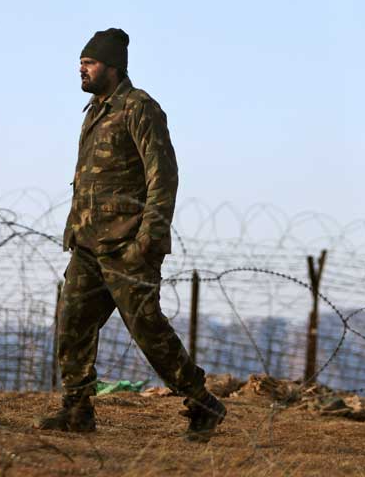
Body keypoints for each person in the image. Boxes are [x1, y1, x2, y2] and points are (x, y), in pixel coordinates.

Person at [35, 28, 226, 442]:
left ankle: (202, 402)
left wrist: (148, 239)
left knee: (147, 329)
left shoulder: (139, 108)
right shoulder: (93, 111)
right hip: (87, 244)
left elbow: (163, 176)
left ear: (112, 65)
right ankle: (77, 409)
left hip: (126, 245)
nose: (81, 68)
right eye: (81, 62)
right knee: (73, 324)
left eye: (89, 62)